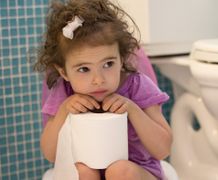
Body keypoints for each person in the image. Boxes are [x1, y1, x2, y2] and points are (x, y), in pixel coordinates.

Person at [34, 0, 173, 179]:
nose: (98, 80)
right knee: (82, 172)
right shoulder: (64, 91)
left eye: (108, 64)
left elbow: (163, 150)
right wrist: (63, 110)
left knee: (120, 171)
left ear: (121, 59)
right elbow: (50, 154)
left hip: (137, 172)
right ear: (64, 72)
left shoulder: (137, 86)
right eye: (84, 69)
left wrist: (132, 109)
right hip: (90, 170)